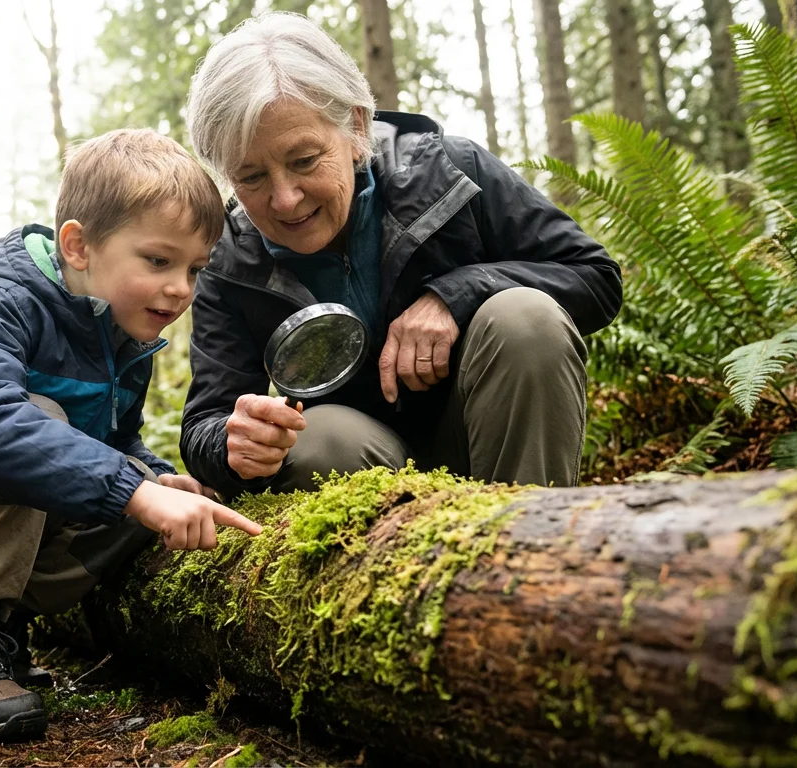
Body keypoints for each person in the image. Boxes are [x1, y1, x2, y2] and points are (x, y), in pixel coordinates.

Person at [0, 129, 262, 743]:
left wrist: (153, 478)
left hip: (4, 509)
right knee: (34, 420)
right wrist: (134, 490)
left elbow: (115, 441)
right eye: (158, 261)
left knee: (134, 490)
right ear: (79, 245)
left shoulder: (125, 331)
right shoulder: (0, 295)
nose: (181, 289)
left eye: (195, 269)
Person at [180, 13, 623, 500]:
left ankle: (532, 550)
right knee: (320, 439)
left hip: (490, 440)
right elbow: (205, 422)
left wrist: (455, 295)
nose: (285, 199)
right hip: (359, 473)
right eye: (251, 178)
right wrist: (233, 443)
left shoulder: (451, 173)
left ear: (355, 126)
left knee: (525, 317)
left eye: (304, 161)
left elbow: (595, 277)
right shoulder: (228, 259)